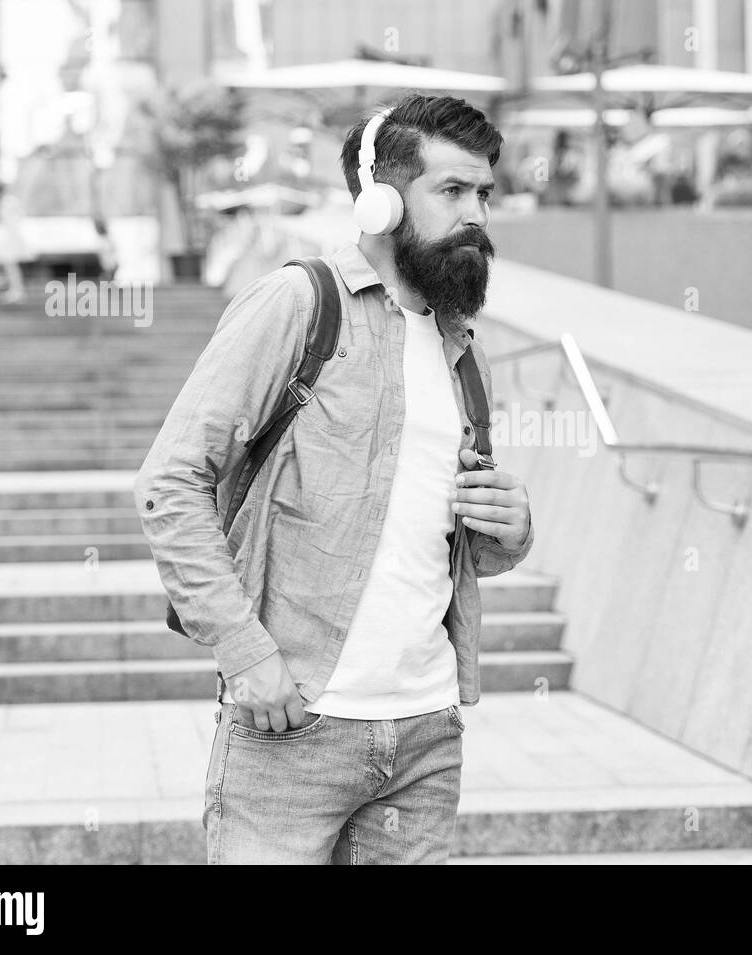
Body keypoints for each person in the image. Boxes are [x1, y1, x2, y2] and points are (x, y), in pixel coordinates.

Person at [133, 93, 535, 865]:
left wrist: (510, 533)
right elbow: (171, 480)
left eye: (484, 193)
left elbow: (439, 537)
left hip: (425, 734)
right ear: (382, 200)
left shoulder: (463, 348)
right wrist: (246, 654)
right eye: (451, 192)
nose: (476, 215)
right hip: (294, 730)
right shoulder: (298, 304)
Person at [0, 183, 27, 303]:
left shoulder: (8, 201)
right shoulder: (6, 201)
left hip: (10, 238)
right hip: (7, 237)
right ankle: (15, 289)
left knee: (11, 265)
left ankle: (17, 291)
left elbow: (15, 217)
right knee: (9, 265)